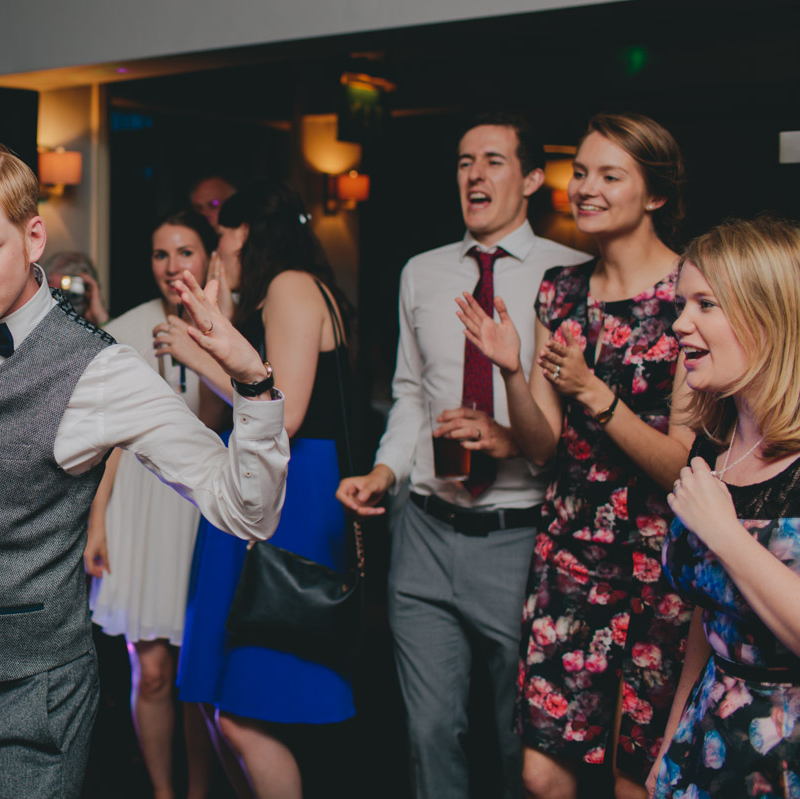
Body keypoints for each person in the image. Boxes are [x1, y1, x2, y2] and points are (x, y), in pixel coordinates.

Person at [0, 143, 290, 798]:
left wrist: (252, 381)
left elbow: (248, 509)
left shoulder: (101, 370)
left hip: (28, 709)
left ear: (33, 236)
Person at [336, 114, 590, 799]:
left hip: (519, 538)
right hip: (424, 529)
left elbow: (586, 424)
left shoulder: (569, 275)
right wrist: (386, 472)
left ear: (533, 178)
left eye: (494, 161)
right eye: (463, 162)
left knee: (519, 740)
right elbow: (409, 395)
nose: (474, 175)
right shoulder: (420, 273)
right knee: (426, 732)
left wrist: (513, 436)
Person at [458, 113, 693, 799]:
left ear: (654, 194)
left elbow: (680, 465)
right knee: (541, 773)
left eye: (608, 176)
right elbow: (542, 449)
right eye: (581, 172)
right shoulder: (559, 291)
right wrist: (510, 370)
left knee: (634, 778)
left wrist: (595, 391)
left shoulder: (689, 294)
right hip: (570, 551)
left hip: (661, 559)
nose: (585, 188)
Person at [164, 181, 349, 799]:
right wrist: (208, 333)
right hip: (248, 477)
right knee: (221, 703)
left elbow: (285, 413)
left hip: (290, 490)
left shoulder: (291, 285)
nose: (217, 249)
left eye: (222, 236)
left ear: (249, 233)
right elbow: (217, 418)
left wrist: (197, 355)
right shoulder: (261, 300)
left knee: (246, 710)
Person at [648, 216, 800, 799]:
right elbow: (708, 620)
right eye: (682, 303)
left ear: (768, 315)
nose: (680, 324)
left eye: (705, 304)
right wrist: (671, 740)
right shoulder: (715, 445)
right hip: (707, 744)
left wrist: (726, 534)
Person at [85, 209, 224, 799]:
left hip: (199, 507)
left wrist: (202, 346)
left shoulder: (229, 327)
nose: (173, 267)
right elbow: (109, 440)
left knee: (198, 674)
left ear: (210, 257)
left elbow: (220, 425)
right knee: (154, 671)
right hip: (140, 506)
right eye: (161, 255)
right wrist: (97, 520)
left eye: (185, 252)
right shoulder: (125, 329)